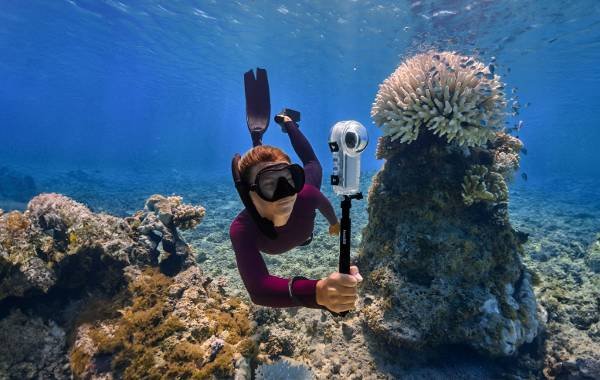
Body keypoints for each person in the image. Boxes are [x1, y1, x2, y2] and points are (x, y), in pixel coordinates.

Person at [229, 68, 362, 313]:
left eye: (290, 178)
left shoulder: (305, 193)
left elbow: (324, 204)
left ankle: (288, 122)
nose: (286, 193)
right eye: (270, 185)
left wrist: (334, 223)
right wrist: (317, 292)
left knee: (312, 165)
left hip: (303, 216)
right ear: (248, 193)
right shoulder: (242, 230)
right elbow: (259, 289)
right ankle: (258, 141)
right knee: (307, 164)